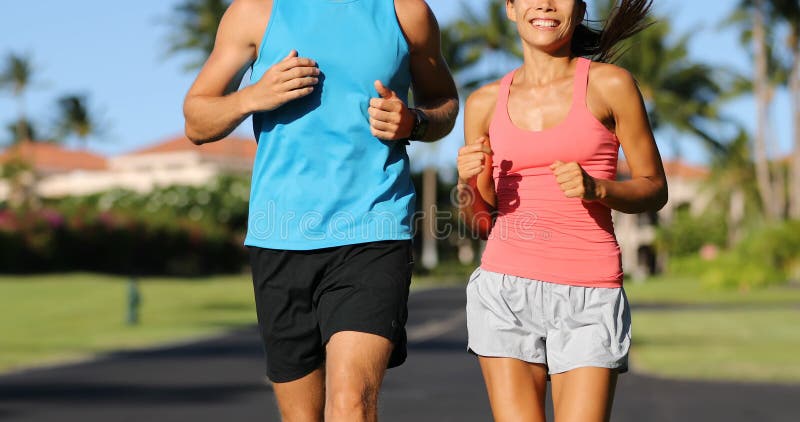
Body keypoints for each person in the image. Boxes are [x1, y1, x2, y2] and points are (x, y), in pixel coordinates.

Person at [183, 0, 458, 420]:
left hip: (373, 227)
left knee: (351, 403)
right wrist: (253, 96)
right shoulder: (255, 11)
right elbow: (197, 120)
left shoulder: (406, 11)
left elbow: (443, 103)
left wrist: (414, 122)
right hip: (280, 235)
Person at [456, 0, 667, 421]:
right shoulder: (482, 103)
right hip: (505, 290)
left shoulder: (611, 86)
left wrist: (598, 188)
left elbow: (655, 188)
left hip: (589, 289)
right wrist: (466, 184)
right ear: (511, 9)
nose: (545, 4)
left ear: (579, 7)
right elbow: (480, 220)